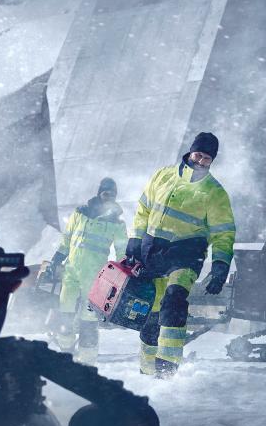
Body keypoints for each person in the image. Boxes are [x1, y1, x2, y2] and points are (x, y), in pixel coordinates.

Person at [127, 132, 236, 378]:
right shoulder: (162, 175)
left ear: (212, 161)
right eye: (199, 155)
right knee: (151, 317)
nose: (201, 161)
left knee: (174, 304)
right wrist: (134, 240)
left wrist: (220, 265)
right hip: (152, 255)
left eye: (207, 158)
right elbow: (143, 209)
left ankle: (166, 372)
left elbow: (223, 234)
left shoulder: (214, 193)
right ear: (190, 152)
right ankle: (146, 372)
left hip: (185, 258)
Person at [48, 177, 127, 365]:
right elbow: (67, 240)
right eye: (106, 193)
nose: (108, 197)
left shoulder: (117, 223)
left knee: (89, 319)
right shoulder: (80, 213)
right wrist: (57, 258)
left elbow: (122, 249)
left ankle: (87, 360)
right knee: (65, 310)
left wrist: (122, 272)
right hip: (71, 272)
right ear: (100, 192)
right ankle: (66, 349)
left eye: (112, 195)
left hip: (95, 277)